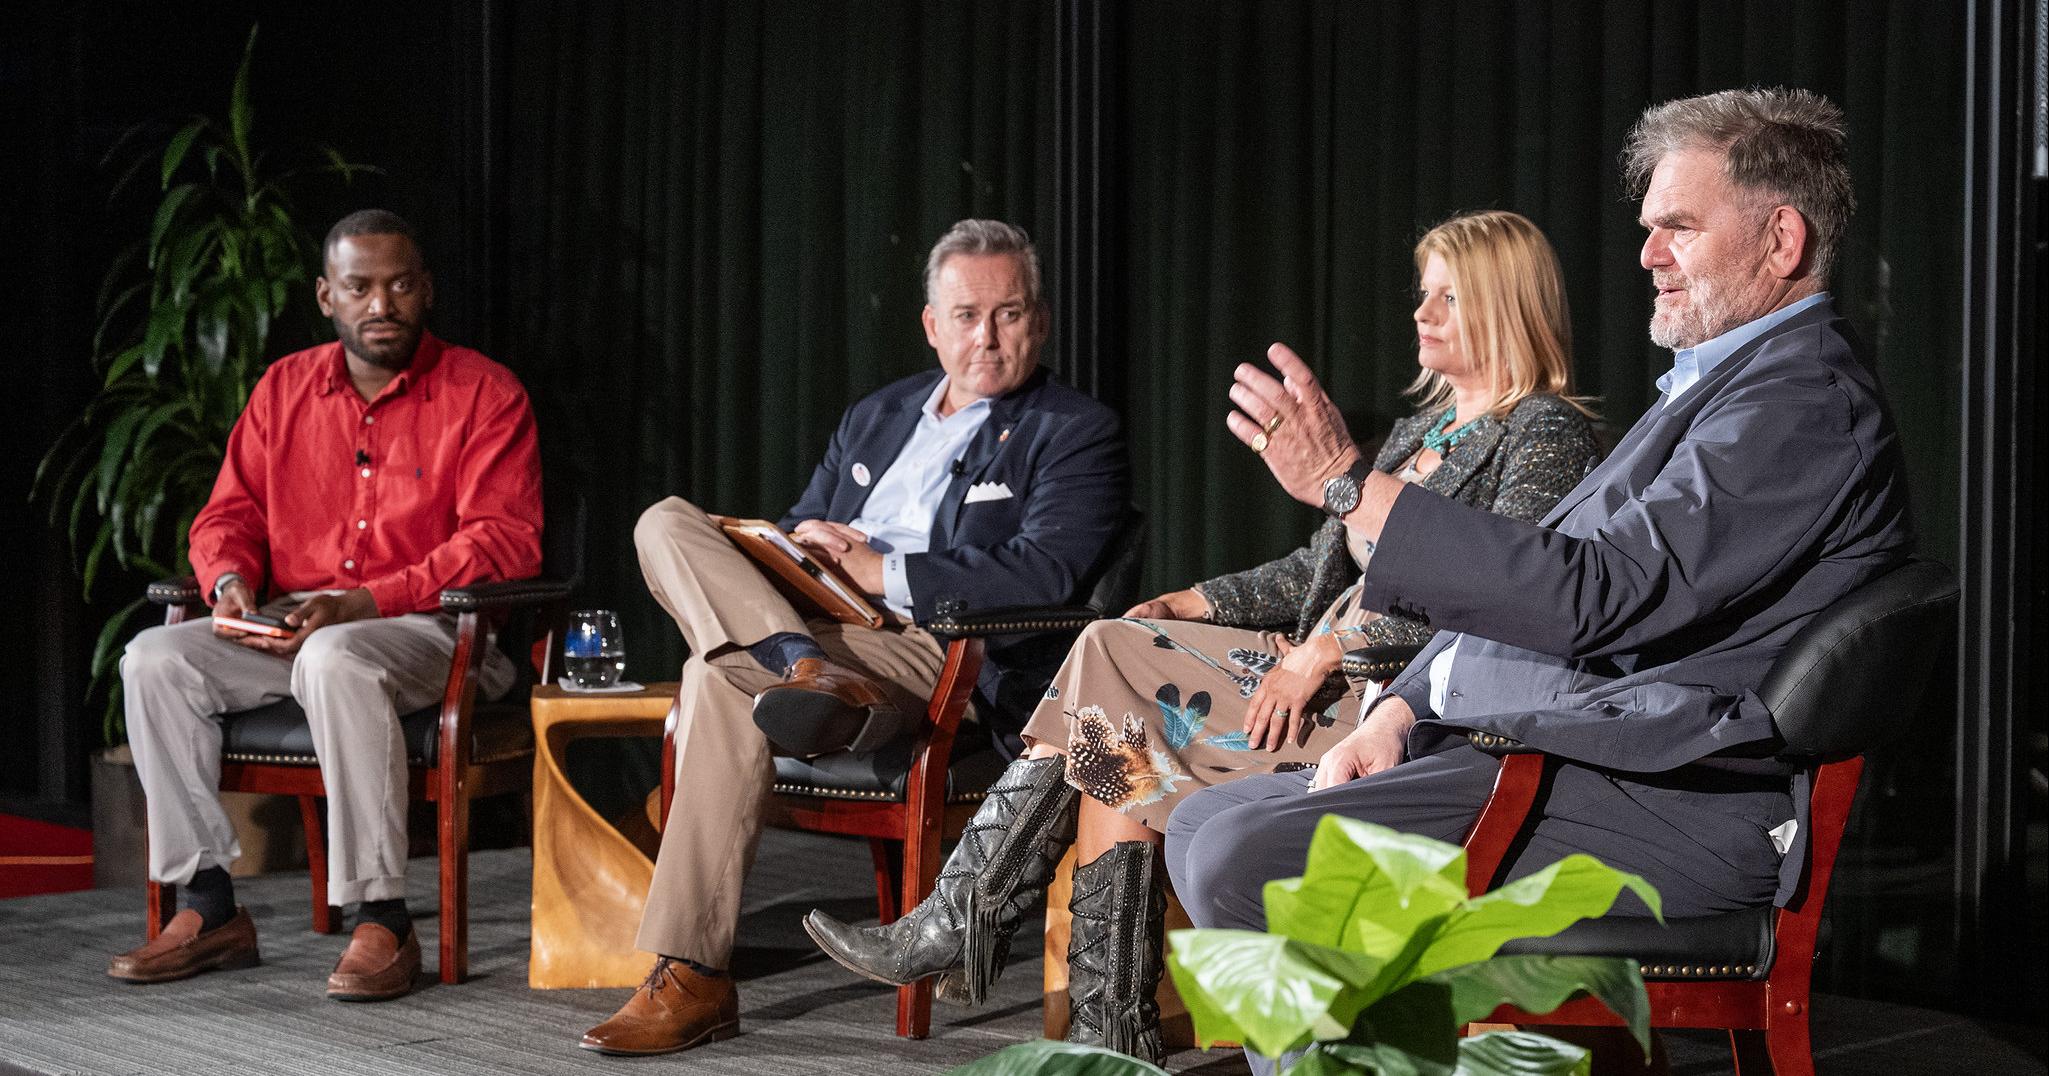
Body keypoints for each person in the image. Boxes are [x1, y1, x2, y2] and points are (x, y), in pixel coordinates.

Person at [1171, 88, 1910, 1073]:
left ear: (1782, 239)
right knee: (1203, 814)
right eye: (1649, 228)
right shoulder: (1727, 382)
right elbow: (1554, 590)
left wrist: (1350, 487)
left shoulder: (1800, 400)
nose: (1647, 253)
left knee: (1241, 853)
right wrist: (1401, 703)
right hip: (1586, 758)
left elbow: (1594, 594)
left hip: (1665, 800)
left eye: (1678, 228)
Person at [804, 210, 1602, 1062]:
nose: (1420, 312)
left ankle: (1031, 968)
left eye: (1447, 296)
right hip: (1311, 678)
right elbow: (1312, 572)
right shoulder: (1419, 433)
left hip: (1391, 708)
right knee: (1116, 722)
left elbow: (1501, 596)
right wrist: (1194, 600)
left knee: (1110, 689)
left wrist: (1329, 651)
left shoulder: (1544, 432)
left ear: (1504, 307)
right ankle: (1095, 1018)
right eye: (1422, 293)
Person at [578, 219, 1129, 1057]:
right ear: (930, 324)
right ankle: (797, 668)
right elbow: (805, 513)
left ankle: (691, 971)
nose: (986, 336)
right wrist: (798, 545)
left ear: (1040, 321)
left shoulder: (1073, 429)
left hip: (934, 647)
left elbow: (1046, 571)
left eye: (1009, 314)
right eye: (967, 314)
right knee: (666, 522)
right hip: (814, 621)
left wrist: (883, 573)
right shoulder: (878, 415)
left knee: (711, 676)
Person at [109, 210, 544, 1003]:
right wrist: (231, 585)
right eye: (360, 287)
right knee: (154, 659)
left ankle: (382, 917)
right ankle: (208, 907)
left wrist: (363, 601)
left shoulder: (484, 394)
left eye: (401, 285)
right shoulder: (283, 388)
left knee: (335, 655)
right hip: (297, 620)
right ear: (326, 297)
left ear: (427, 292)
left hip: (431, 627)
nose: (382, 304)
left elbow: (503, 543)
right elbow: (227, 516)